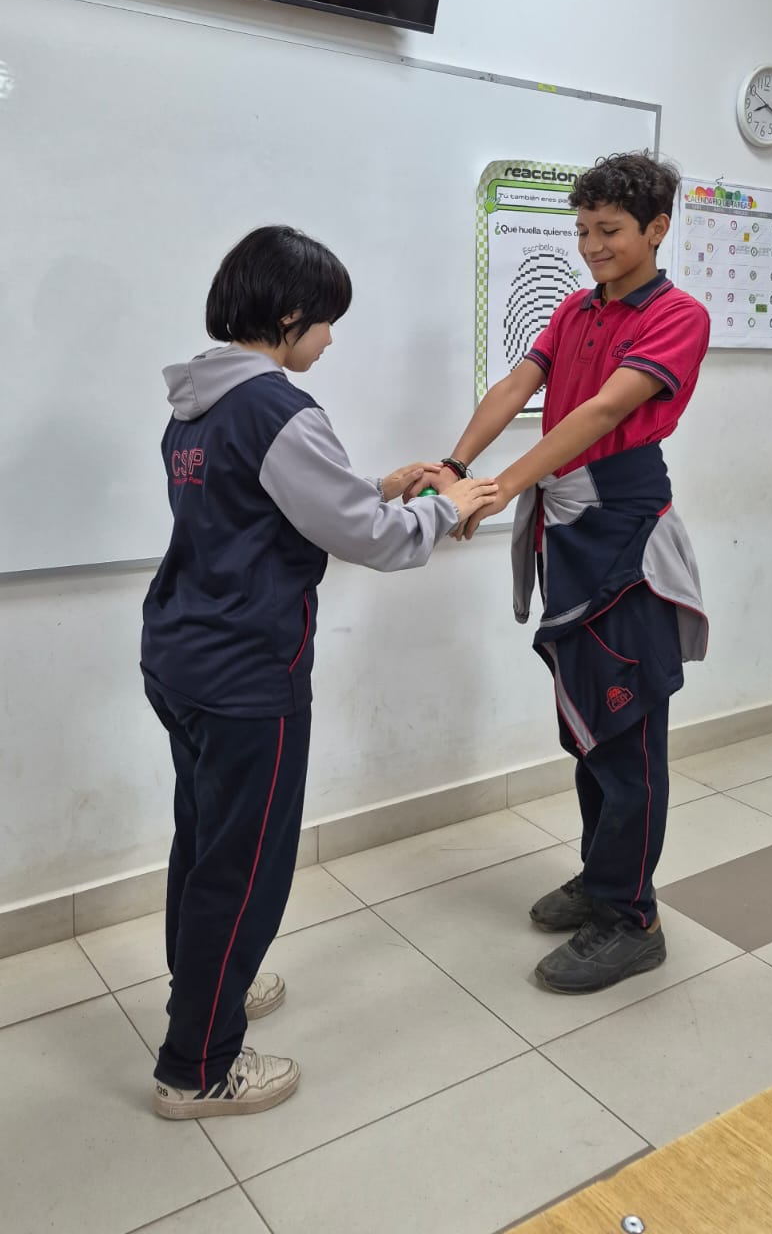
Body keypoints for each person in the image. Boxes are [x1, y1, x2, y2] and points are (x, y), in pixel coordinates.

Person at [141, 225, 497, 1118]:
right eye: (326, 323)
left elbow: (260, 512)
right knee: (245, 867)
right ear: (289, 314)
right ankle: (199, 1067)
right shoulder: (277, 408)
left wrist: (373, 485)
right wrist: (439, 508)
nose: (331, 340)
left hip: (182, 657)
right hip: (246, 675)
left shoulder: (195, 403)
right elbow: (370, 541)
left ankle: (205, 985)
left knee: (204, 840)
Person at [423, 153, 710, 995]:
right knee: (587, 719)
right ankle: (600, 876)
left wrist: (502, 485)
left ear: (656, 229)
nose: (592, 247)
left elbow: (600, 412)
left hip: (623, 531)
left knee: (628, 728)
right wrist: (456, 461)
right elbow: (522, 383)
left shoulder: (677, 315)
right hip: (569, 528)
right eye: (582, 231)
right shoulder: (574, 310)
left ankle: (633, 917)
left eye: (610, 232)